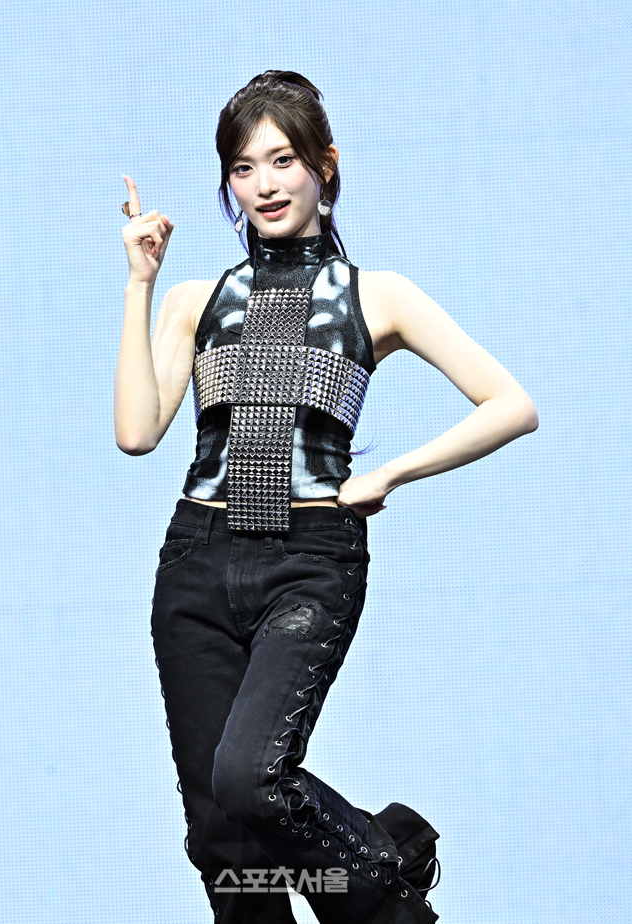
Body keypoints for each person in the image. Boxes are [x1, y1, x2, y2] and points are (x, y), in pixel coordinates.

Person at [115, 71, 538, 924]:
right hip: (196, 561)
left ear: (325, 165)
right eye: (243, 168)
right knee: (221, 839)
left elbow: (511, 405)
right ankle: (384, 870)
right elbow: (136, 431)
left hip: (309, 559)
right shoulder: (198, 301)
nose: (265, 184)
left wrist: (389, 474)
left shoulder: (375, 296)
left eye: (283, 160)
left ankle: (388, 883)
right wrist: (140, 283)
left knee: (251, 779)